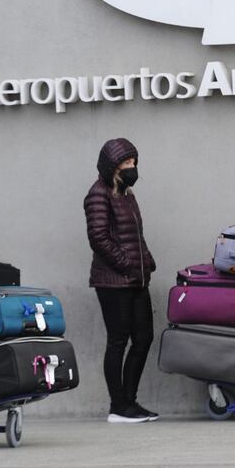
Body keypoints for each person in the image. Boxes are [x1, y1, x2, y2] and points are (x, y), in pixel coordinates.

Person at [84, 138, 159, 423]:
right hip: (113, 282)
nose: (132, 168)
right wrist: (127, 266)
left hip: (137, 279)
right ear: (112, 166)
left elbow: (136, 236)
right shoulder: (97, 195)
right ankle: (118, 405)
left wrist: (147, 262)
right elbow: (99, 238)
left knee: (143, 338)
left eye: (134, 163)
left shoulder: (127, 194)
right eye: (127, 163)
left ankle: (130, 402)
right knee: (118, 341)